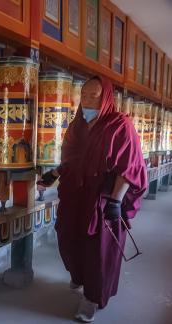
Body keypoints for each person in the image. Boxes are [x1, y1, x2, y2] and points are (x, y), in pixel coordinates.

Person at [38, 76, 147, 322]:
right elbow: (71, 160)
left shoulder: (120, 125)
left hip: (103, 199)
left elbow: (128, 167)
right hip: (75, 196)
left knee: (97, 251)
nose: (86, 100)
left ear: (106, 97)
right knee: (68, 239)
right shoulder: (77, 125)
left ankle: (92, 298)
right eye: (84, 95)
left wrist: (116, 201)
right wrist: (52, 175)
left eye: (93, 96)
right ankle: (78, 276)